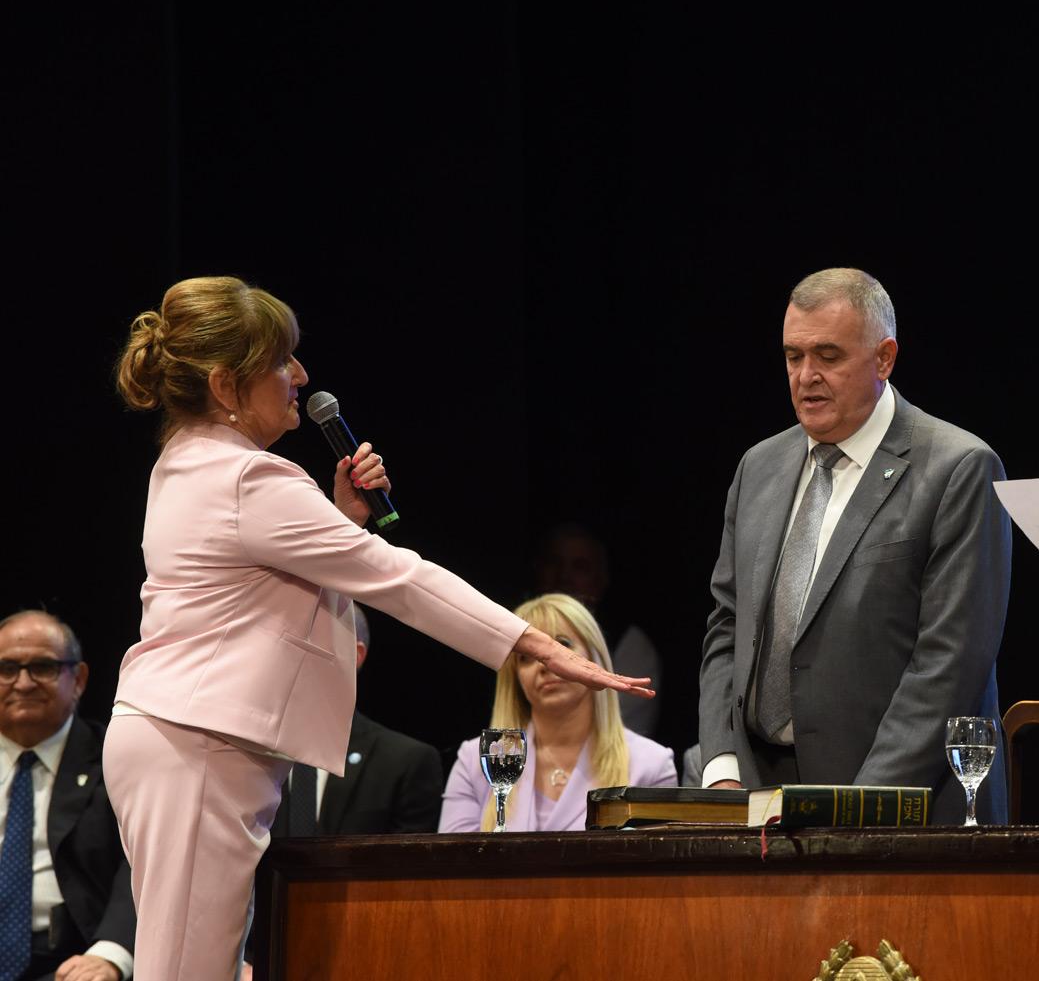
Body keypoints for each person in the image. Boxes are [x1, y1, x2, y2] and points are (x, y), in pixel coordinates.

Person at [104, 276, 651, 981]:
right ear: (224, 384)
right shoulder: (248, 479)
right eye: (281, 361)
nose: (300, 376)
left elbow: (266, 581)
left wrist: (338, 518)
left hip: (184, 739)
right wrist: (533, 642)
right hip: (194, 746)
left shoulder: (186, 460)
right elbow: (398, 578)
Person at [698, 267, 1011, 825]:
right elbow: (728, 627)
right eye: (794, 357)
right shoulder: (759, 466)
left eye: (828, 356)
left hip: (896, 809)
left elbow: (950, 663)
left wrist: (852, 808)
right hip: (758, 803)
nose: (806, 376)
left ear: (884, 358)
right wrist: (723, 762)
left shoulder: (958, 468)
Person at [439, 593, 676, 832]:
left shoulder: (652, 765)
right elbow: (452, 865)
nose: (546, 665)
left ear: (595, 658)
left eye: (563, 645)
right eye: (526, 658)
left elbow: (656, 866)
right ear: (515, 678)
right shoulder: (475, 761)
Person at [0, 611, 134, 981]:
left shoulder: (117, 759)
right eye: (7, 668)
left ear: (78, 679)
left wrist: (112, 954)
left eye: (42, 667)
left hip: (76, 960)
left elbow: (146, 861)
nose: (23, 683)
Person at [271, 604, 443, 836]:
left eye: (308, 636)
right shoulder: (245, 750)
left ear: (355, 655)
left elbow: (407, 869)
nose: (293, 648)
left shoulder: (405, 763)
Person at [533, 524, 663, 736]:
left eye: (580, 567)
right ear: (536, 568)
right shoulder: (513, 628)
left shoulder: (629, 643)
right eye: (553, 562)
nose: (564, 576)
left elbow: (624, 736)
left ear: (601, 578)